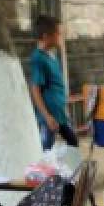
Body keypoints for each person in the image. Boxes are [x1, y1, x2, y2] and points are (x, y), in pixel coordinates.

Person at [28, 14, 77, 152]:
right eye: (58, 33)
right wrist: (47, 116)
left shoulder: (51, 55)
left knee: (73, 142)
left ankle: (67, 172)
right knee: (46, 149)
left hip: (59, 113)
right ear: (45, 36)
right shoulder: (38, 59)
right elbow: (35, 89)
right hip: (49, 116)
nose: (60, 37)